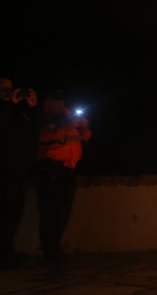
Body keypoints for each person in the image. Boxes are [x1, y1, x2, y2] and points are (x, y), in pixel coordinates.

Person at [35, 89, 92, 258]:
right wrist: (67, 124)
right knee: (49, 209)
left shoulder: (68, 117)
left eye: (62, 100)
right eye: (56, 100)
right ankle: (49, 247)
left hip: (68, 168)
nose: (60, 104)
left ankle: (54, 244)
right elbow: (45, 136)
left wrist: (84, 125)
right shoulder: (45, 118)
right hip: (50, 166)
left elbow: (85, 137)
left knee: (63, 209)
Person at [1, 77, 39, 267]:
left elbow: (34, 132)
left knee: (14, 213)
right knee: (4, 213)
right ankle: (5, 254)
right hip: (4, 171)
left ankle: (8, 252)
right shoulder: (6, 111)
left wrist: (32, 107)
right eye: (3, 90)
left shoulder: (20, 113)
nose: (7, 93)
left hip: (18, 171)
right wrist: (9, 105)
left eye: (10, 89)